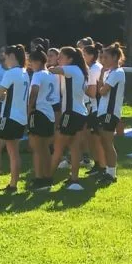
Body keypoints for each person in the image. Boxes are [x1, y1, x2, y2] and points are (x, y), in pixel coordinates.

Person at [0, 44, 29, 194]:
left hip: (9, 117)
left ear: (12, 56)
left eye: (6, 57)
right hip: (21, 118)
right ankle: (13, 185)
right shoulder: (25, 72)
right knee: (13, 152)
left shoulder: (10, 73)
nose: (4, 60)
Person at [49, 46, 89, 190]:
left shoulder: (71, 69)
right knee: (74, 148)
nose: (58, 59)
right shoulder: (79, 70)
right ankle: (74, 179)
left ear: (70, 59)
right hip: (80, 113)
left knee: (58, 147)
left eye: (61, 56)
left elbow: (52, 70)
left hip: (71, 114)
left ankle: (46, 179)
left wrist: (49, 64)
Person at [96, 42, 127, 184]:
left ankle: (111, 173)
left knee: (108, 143)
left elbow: (102, 91)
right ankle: (108, 171)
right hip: (104, 111)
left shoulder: (118, 73)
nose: (103, 60)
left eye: (106, 57)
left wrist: (101, 84)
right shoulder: (110, 73)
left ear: (115, 57)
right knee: (104, 142)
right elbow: (101, 89)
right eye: (102, 57)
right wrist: (102, 74)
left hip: (110, 112)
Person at [27, 49, 57, 189]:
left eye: (31, 62)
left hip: (39, 112)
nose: (30, 64)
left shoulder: (38, 74)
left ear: (38, 62)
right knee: (44, 148)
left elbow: (34, 92)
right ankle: (44, 177)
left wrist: (29, 110)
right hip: (49, 113)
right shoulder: (50, 74)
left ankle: (44, 178)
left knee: (38, 148)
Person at [82, 41, 106, 174]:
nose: (82, 57)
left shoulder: (94, 69)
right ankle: (98, 164)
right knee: (92, 137)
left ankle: (102, 166)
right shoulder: (94, 67)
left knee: (96, 138)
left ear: (91, 56)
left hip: (95, 107)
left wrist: (79, 87)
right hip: (93, 106)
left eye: (84, 54)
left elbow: (92, 92)